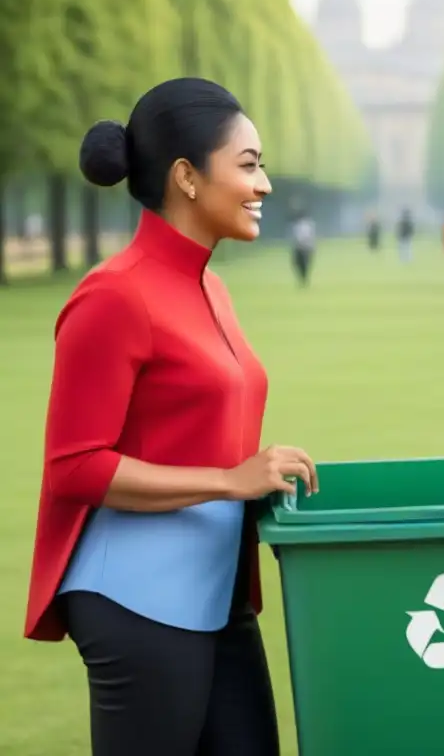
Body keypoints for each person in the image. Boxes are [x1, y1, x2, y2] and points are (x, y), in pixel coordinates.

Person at [23, 77, 320, 756]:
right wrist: (230, 480)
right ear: (187, 176)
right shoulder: (112, 297)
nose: (264, 184)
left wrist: (254, 481)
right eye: (248, 165)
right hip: (136, 601)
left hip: (217, 595)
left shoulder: (211, 286)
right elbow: (75, 467)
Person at [290, 206, 316, 286]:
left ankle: (303, 280)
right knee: (298, 264)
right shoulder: (299, 225)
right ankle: (302, 279)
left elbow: (309, 236)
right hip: (301, 247)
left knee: (303, 264)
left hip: (304, 247)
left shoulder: (306, 225)